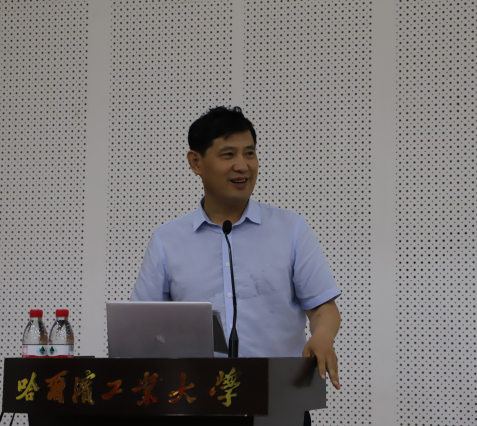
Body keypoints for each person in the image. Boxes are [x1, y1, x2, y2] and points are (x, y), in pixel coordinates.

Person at [130, 106, 342, 425]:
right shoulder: (167, 240)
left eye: (250, 153)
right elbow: (141, 326)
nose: (242, 166)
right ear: (195, 162)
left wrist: (323, 335)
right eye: (228, 154)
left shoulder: (291, 229)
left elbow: (323, 308)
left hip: (280, 400)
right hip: (195, 403)